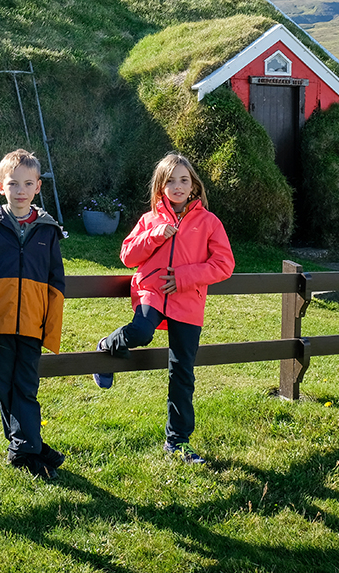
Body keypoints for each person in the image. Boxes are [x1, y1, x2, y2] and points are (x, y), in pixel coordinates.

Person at [93, 152, 234, 464]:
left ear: (194, 185)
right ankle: (108, 345)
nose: (178, 186)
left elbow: (225, 264)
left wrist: (184, 278)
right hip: (152, 292)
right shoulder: (150, 219)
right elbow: (128, 256)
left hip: (188, 301)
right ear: (161, 186)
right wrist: (154, 236)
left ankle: (177, 443)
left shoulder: (209, 222)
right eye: (171, 180)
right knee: (141, 332)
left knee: (182, 372)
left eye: (184, 180)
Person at [0, 148, 66, 479]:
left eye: (27, 184)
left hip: (33, 325)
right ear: (0, 187)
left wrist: (50, 329)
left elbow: (56, 284)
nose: (20, 191)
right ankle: (30, 448)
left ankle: (25, 448)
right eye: (13, 184)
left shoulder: (48, 231)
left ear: (37, 187)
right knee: (6, 386)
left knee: (25, 387)